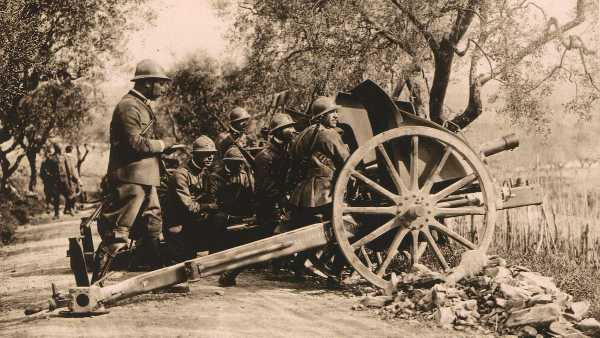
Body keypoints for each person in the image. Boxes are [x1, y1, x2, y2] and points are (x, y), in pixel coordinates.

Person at [91, 59, 178, 283]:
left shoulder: (139, 105)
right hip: (130, 178)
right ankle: (94, 284)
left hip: (145, 177)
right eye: (160, 83)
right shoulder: (128, 106)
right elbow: (134, 143)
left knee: (152, 227)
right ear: (147, 83)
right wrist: (163, 145)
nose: (163, 88)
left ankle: (160, 279)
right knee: (119, 231)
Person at [287, 96, 350, 281]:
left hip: (303, 192)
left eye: (336, 112)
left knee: (308, 232)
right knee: (345, 229)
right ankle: (335, 272)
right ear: (321, 116)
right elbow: (347, 161)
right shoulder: (328, 134)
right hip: (324, 192)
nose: (336, 116)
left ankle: (298, 267)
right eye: (332, 113)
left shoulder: (304, 134)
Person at [163, 135, 219, 263]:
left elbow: (211, 197)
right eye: (205, 154)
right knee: (183, 264)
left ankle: (215, 260)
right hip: (178, 226)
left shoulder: (205, 173)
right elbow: (188, 207)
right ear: (195, 155)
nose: (210, 157)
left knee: (220, 219)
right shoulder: (181, 175)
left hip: (193, 223)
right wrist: (209, 207)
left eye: (212, 154)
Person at [254, 113, 296, 237]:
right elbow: (266, 190)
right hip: (269, 212)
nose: (293, 130)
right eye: (289, 127)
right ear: (278, 131)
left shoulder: (287, 152)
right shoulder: (264, 157)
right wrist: (285, 200)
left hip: (283, 208)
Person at [64, 145, 81, 215]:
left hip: (65, 178)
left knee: (69, 193)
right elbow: (73, 169)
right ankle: (72, 209)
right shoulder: (71, 157)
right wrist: (77, 179)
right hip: (71, 178)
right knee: (72, 193)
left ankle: (68, 209)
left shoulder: (63, 156)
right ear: (71, 150)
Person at [39, 146, 55, 213]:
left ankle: (53, 207)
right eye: (48, 153)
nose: (49, 155)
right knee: (47, 193)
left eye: (50, 154)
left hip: (53, 180)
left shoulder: (54, 162)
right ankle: (48, 206)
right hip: (47, 181)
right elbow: (41, 172)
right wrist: (44, 178)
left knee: (53, 193)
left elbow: (56, 171)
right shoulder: (44, 163)